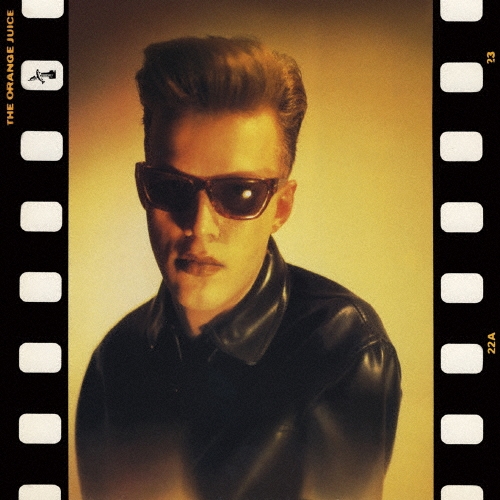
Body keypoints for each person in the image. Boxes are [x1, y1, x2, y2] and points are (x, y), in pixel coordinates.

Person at [76, 36, 402, 500]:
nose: (199, 227)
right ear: (143, 188)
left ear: (281, 207)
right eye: (171, 187)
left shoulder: (344, 347)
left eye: (240, 193)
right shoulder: (114, 359)